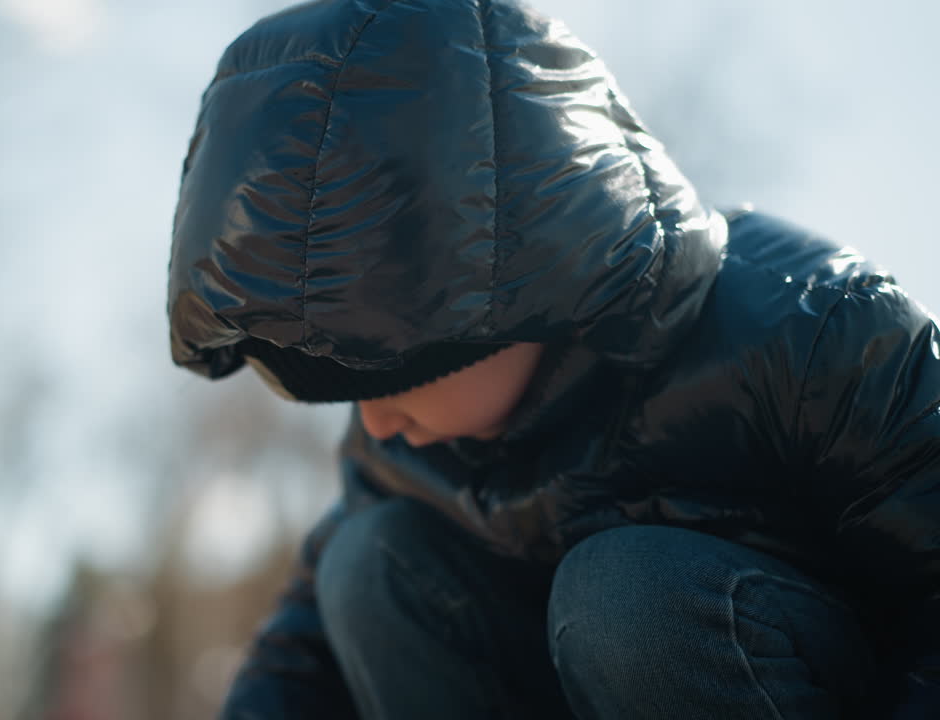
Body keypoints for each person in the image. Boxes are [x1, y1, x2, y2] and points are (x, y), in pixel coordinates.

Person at [165, 0, 940, 717]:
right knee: (367, 564)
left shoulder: (808, 327)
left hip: (794, 674)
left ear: (507, 291)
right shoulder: (396, 450)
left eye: (381, 373)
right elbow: (300, 659)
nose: (372, 418)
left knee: (624, 601)